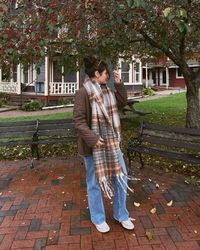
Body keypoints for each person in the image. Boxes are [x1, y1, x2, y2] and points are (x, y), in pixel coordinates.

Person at [73, 56, 134, 233]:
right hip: (93, 147)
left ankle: (121, 214)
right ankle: (98, 218)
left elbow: (121, 102)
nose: (107, 76)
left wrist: (119, 83)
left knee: (121, 177)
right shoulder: (83, 93)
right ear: (97, 74)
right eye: (106, 73)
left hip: (112, 144)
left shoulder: (107, 90)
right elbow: (78, 121)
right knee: (94, 183)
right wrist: (93, 138)